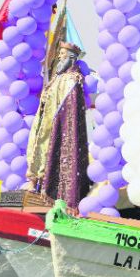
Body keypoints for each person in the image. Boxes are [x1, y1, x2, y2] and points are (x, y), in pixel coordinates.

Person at [24, 41, 91, 209]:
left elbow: (70, 110)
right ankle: (34, 184)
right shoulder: (57, 77)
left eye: (62, 54)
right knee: (37, 150)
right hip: (44, 123)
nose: (59, 57)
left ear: (71, 58)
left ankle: (51, 193)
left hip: (57, 125)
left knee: (53, 153)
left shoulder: (72, 80)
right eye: (59, 54)